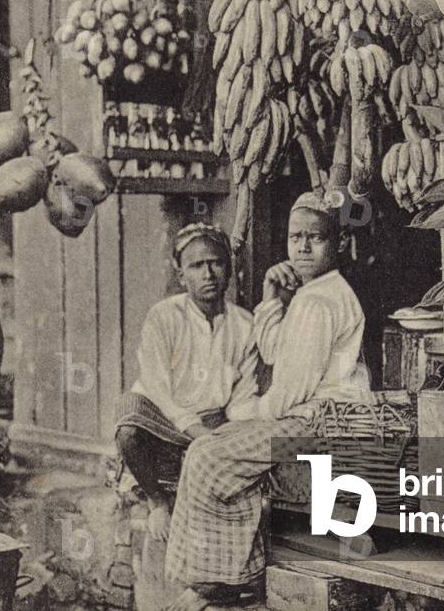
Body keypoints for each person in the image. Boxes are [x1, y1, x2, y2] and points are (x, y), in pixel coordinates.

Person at [164, 191, 372, 611]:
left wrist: (248, 418)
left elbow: (289, 393)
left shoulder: (319, 300)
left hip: (320, 424)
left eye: (316, 238)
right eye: (296, 237)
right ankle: (228, 576)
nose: (303, 247)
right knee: (211, 448)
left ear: (338, 244)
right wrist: (271, 296)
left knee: (209, 456)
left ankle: (220, 581)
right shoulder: (315, 293)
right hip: (309, 418)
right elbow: (277, 351)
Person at [114, 222, 258, 541]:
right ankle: (156, 501)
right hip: (164, 423)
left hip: (213, 426)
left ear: (229, 270)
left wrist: (235, 438)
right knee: (127, 417)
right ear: (181, 275)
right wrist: (199, 434)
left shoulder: (245, 326)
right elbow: (158, 390)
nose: (208, 274)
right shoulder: (163, 317)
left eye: (216, 263)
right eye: (196, 266)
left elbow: (243, 399)